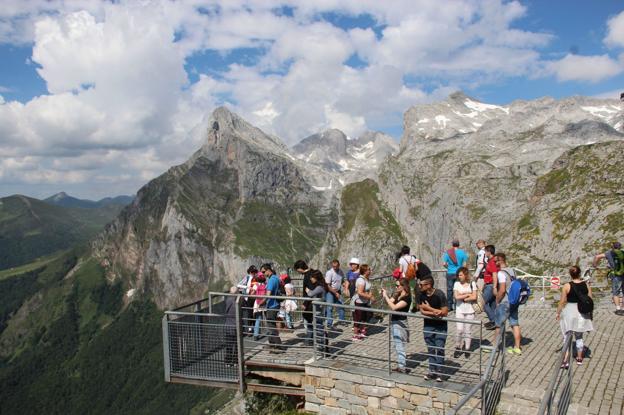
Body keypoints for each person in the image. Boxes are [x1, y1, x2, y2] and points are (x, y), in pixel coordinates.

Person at [556, 265, 594, 367]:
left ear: (570, 274)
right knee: (579, 336)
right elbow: (590, 299)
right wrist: (590, 313)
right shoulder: (586, 285)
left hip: (569, 311)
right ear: (580, 273)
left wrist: (558, 312)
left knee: (567, 336)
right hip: (582, 312)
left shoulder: (567, 286)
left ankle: (565, 360)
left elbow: (562, 301)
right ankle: (579, 358)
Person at [416, 276, 448, 382]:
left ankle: (440, 372)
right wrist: (435, 312)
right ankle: (432, 371)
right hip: (428, 325)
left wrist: (429, 308)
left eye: (421, 285)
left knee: (439, 348)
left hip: (440, 326)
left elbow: (444, 312)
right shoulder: (421, 295)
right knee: (430, 349)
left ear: (428, 285)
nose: (419, 286)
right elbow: (422, 311)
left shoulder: (439, 294)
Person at [493, 253, 522, 355]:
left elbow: (502, 290)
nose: (495, 263)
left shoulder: (501, 273)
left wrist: (497, 300)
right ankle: (517, 347)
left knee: (498, 325)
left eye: (496, 261)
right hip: (514, 301)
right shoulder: (512, 270)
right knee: (515, 324)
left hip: (505, 301)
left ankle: (495, 347)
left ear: (500, 260)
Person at [382, 278, 412, 373]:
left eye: (398, 285)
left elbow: (394, 307)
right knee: (397, 345)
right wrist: (385, 295)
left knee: (400, 346)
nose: (396, 287)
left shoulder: (407, 298)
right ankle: (400, 365)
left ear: (403, 286)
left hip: (400, 323)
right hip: (394, 322)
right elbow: (390, 302)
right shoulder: (398, 295)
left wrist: (386, 296)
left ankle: (402, 367)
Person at [593, 241, 624, 315]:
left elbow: (597, 257)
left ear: (613, 247)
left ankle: (618, 309)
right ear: (620, 247)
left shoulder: (609, 253)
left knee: (615, 292)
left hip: (616, 275)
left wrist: (595, 265)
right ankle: (623, 308)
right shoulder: (623, 252)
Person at [453, 267, 477, 358]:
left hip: (470, 310)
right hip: (459, 309)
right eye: (458, 275)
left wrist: (462, 295)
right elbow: (456, 297)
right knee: (459, 330)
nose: (459, 277)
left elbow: (474, 297)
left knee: (468, 330)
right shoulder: (456, 284)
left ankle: (467, 348)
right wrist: (467, 294)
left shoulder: (472, 283)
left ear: (465, 275)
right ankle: (457, 347)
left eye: (461, 275)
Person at [260, 263, 284, 352]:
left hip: (272, 305)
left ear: (268, 270)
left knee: (271, 326)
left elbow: (268, 295)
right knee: (270, 326)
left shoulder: (271, 280)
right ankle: (272, 344)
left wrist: (261, 303)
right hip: (275, 304)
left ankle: (278, 346)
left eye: (263, 272)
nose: (263, 274)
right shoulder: (275, 278)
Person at [442, 239, 468, 311]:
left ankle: (449, 306)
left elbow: (444, 264)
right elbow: (465, 264)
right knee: (459, 289)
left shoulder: (448, 253)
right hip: (459, 273)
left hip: (450, 273)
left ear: (452, 244)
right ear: (458, 244)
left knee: (450, 290)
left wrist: (449, 268)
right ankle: (458, 306)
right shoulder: (462, 252)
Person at [306, 270, 328, 350]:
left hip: (319, 311)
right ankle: (323, 346)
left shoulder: (319, 287)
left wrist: (308, 291)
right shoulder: (321, 286)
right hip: (319, 310)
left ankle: (323, 346)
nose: (311, 279)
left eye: (312, 277)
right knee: (319, 328)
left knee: (319, 328)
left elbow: (310, 294)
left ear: (316, 278)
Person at [352, 264, 374, 341]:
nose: (370, 271)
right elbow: (360, 292)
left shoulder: (366, 279)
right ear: (365, 271)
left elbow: (368, 289)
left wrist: (370, 295)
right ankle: (355, 335)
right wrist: (370, 297)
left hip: (365, 302)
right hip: (359, 302)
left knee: (365, 317)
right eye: (369, 269)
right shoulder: (361, 280)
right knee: (358, 318)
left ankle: (362, 332)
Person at [481, 245, 499, 329]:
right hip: (490, 284)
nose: (484, 253)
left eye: (485, 251)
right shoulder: (493, 261)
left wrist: (494, 287)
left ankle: (494, 321)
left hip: (491, 285)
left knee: (483, 303)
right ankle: (494, 321)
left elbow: (494, 274)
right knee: (492, 304)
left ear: (489, 252)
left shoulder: (492, 262)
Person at [237, 265, 258, 334]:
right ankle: (249, 328)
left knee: (254, 312)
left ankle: (254, 328)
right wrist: (247, 287)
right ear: (249, 272)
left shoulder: (257, 278)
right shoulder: (247, 277)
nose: (253, 273)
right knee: (249, 312)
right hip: (248, 297)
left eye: (255, 272)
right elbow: (238, 285)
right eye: (252, 272)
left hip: (256, 297)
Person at [325, 259, 345, 328]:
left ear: (339, 265)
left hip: (338, 291)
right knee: (329, 307)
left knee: (341, 306)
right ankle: (329, 323)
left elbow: (342, 281)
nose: (335, 268)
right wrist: (335, 293)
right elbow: (327, 285)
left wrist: (345, 286)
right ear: (332, 266)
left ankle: (342, 321)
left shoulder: (341, 272)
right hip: (330, 292)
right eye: (333, 266)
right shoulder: (329, 273)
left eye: (336, 266)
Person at [224, 286, 239, 366]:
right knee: (237, 344)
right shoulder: (239, 300)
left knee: (229, 344)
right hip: (237, 325)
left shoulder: (228, 300)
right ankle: (236, 361)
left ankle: (228, 362)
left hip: (228, 325)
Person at [251, 273, 267, 341]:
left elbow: (251, 294)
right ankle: (270, 333)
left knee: (258, 319)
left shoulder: (256, 285)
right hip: (264, 302)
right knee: (267, 318)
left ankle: (256, 335)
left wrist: (256, 296)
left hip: (257, 303)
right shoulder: (266, 285)